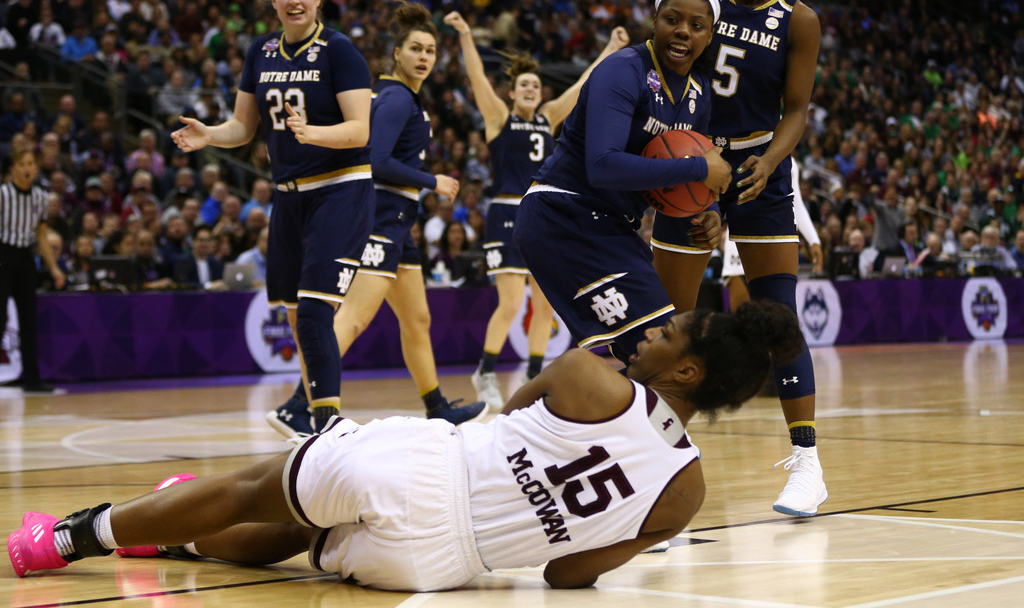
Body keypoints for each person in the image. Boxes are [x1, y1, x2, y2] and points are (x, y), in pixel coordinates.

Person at [7, 301, 804, 591]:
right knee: (292, 532)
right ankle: (175, 526)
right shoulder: (687, 490)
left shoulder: (588, 375)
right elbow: (566, 574)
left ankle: (74, 536)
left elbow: (505, 419)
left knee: (260, 489)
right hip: (433, 567)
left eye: (665, 334)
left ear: (690, 367)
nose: (648, 336)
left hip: (423, 467)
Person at [649, 0, 826, 516]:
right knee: (673, 322)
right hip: (692, 169)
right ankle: (660, 471)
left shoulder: (799, 21)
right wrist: (688, 176)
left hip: (758, 171)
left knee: (778, 316)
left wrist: (771, 164)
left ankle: (807, 463)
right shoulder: (705, 3)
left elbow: (796, 109)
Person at [171, 0, 374, 436]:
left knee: (317, 310)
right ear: (274, 0)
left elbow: (360, 130)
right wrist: (210, 136)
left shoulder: (341, 51)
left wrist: (315, 134)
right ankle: (311, 420)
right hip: (289, 200)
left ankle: (329, 426)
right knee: (294, 313)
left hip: (340, 189)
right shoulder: (260, 51)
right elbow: (243, 127)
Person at [268, 2, 486, 436]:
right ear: (397, 54)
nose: (424, 57)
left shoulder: (404, 98)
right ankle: (297, 405)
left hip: (399, 223)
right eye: (416, 49)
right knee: (352, 318)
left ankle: (437, 407)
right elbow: (377, 159)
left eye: (430, 50)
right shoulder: (394, 98)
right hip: (378, 219)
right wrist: (432, 180)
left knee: (417, 319)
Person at [514, 0, 731, 368]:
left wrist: (709, 211)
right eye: (672, 19)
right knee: (664, 352)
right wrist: (699, 168)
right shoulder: (622, 71)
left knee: (648, 358)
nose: (683, 31)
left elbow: (688, 181)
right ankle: (540, 417)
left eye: (697, 26)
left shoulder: (699, 92)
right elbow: (603, 166)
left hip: (612, 225)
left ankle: (563, 422)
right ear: (654, 21)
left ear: (710, 35)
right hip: (564, 213)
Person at [444, 10, 631, 411]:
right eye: (523, 85)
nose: (530, 89)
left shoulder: (547, 118)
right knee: (511, 302)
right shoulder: (498, 118)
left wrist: (610, 49)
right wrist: (464, 35)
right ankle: (487, 371)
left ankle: (533, 375)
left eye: (535, 85)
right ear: (512, 92)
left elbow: (583, 86)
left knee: (545, 304)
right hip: (504, 214)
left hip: (539, 215)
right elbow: (477, 79)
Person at [0, 147, 66, 392]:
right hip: (3, 255)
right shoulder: (3, 195)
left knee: (29, 319)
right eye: (22, 164)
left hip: (25, 258)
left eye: (31, 164)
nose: (27, 168)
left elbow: (41, 236)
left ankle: (32, 379)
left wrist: (54, 268)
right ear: (13, 169)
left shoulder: (40, 197)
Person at [719, 158, 822, 311]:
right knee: (741, 316)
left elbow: (796, 203)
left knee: (777, 313)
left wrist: (813, 240)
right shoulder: (735, 146)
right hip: (739, 237)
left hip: (775, 234)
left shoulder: (789, 161)